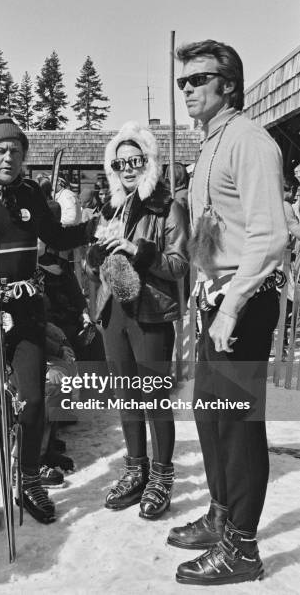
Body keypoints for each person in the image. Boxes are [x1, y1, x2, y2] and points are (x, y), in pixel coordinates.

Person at [0, 114, 97, 536]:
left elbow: (56, 238)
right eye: (0, 150)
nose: (8, 157)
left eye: (15, 151)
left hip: (26, 309)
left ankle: (27, 479)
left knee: (32, 399)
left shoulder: (30, 193)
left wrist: (92, 229)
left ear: (24, 157)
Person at [168, 40, 287, 586]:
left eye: (198, 79)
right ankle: (221, 516)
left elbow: (268, 237)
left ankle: (242, 547)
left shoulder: (251, 141)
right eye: (183, 82)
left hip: (243, 301)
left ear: (229, 85)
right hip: (213, 299)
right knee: (211, 418)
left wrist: (232, 307)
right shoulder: (212, 142)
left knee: (239, 426)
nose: (188, 89)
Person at [86, 121, 189, 519]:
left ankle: (162, 477)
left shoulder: (167, 207)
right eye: (120, 162)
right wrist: (97, 254)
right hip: (114, 312)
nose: (128, 168)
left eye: (135, 160)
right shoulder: (110, 206)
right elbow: (93, 263)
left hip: (151, 315)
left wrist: (136, 248)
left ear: (149, 162)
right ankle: (135, 470)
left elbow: (179, 265)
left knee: (153, 398)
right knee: (128, 397)